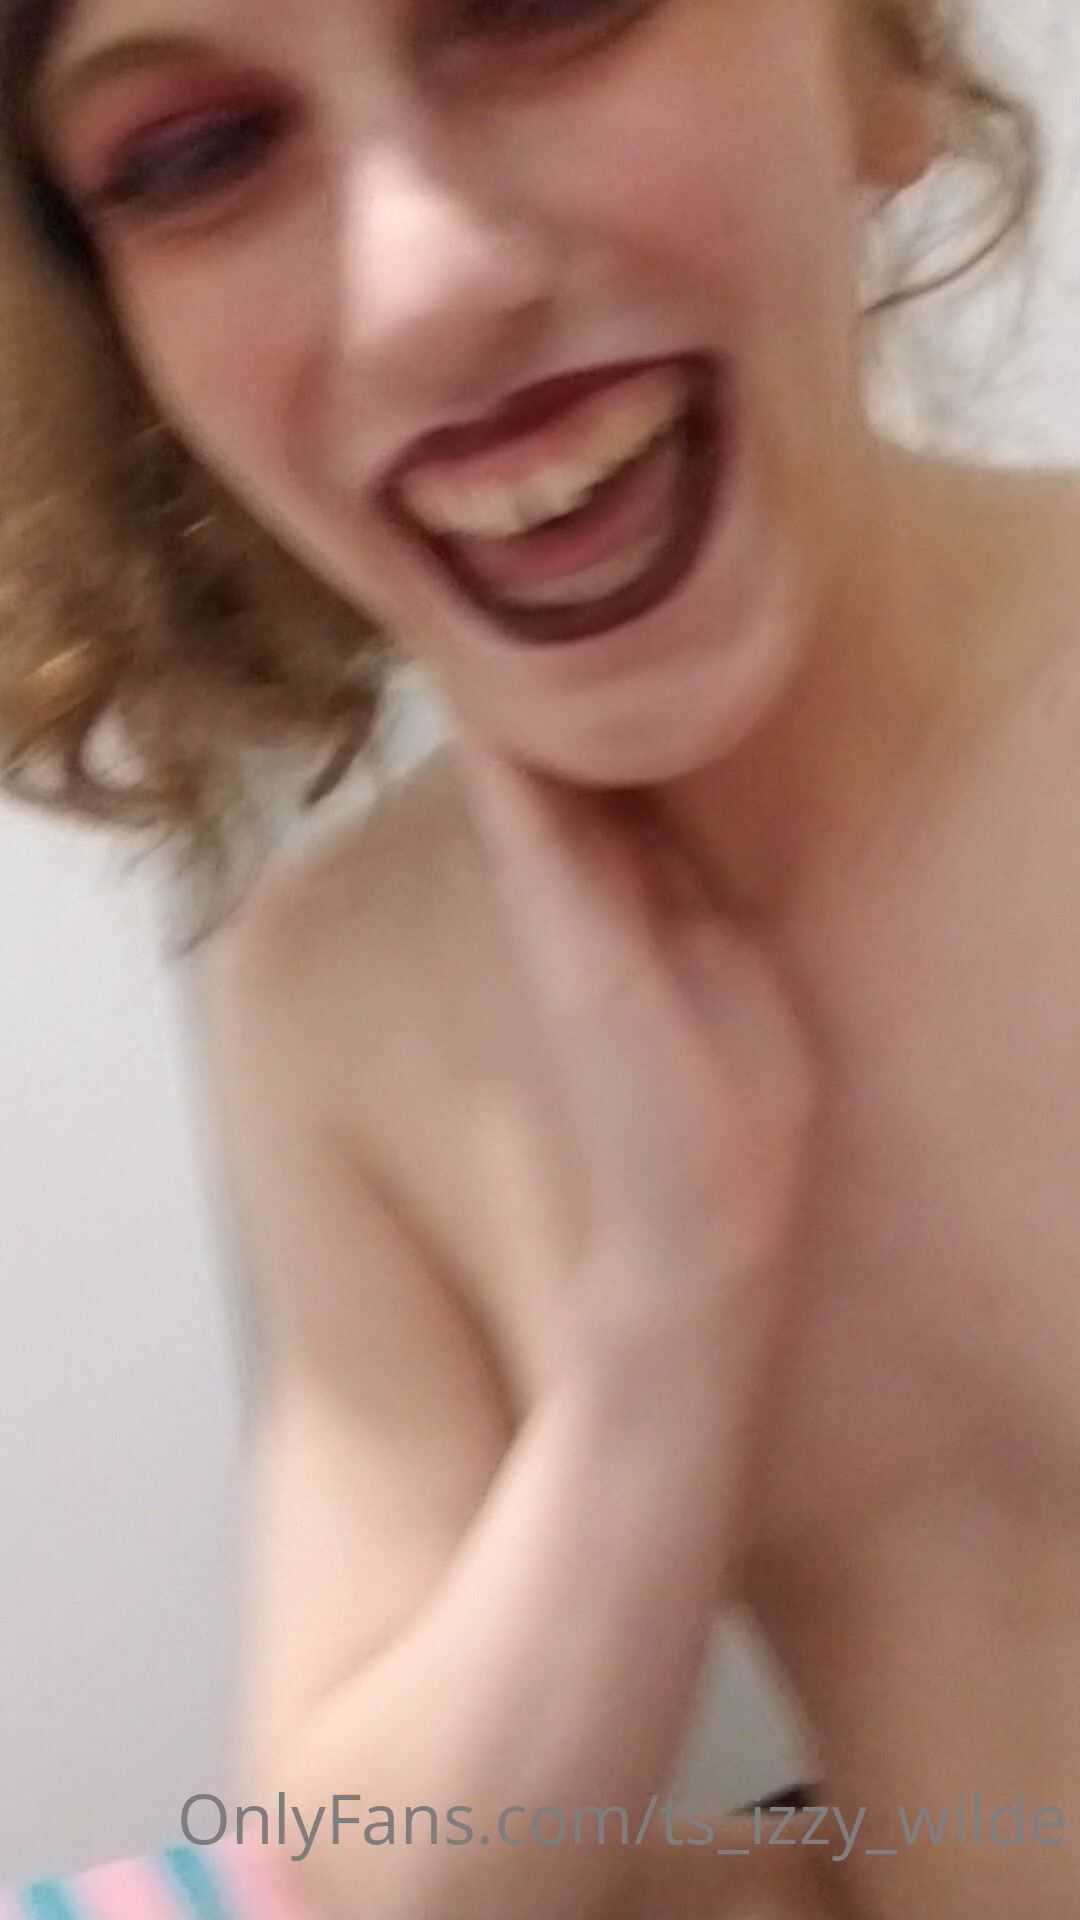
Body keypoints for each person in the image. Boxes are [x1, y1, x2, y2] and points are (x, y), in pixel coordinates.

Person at [0, 0, 1077, 1915]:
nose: (425, 287)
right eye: (196, 155)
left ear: (884, 71)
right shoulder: (337, 999)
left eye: (540, 11)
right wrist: (665, 1314)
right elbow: (358, 1880)